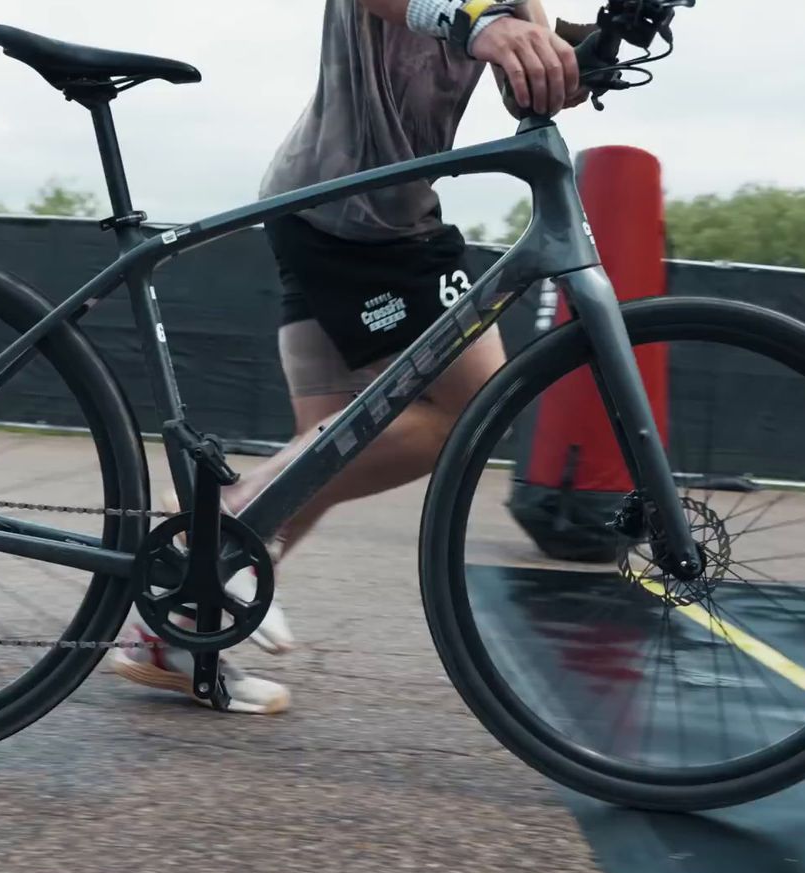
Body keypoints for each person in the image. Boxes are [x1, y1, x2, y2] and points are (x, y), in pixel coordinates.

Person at [111, 0, 583, 713]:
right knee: (470, 407)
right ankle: (223, 523)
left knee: (328, 452)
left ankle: (173, 629)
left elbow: (528, 77)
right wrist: (481, 21)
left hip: (338, 207)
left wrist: (584, 49)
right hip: (358, 214)